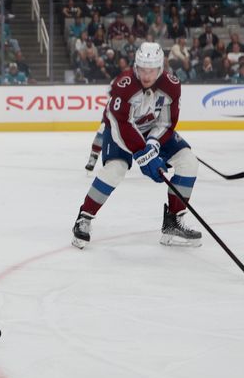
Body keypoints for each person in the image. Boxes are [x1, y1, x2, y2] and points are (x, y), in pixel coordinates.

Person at [71, 42, 202, 249]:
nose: (146, 75)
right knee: (115, 169)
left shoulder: (172, 85)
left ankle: (173, 222)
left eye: (151, 71)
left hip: (151, 130)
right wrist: (144, 154)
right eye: (142, 69)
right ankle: (84, 216)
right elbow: (121, 123)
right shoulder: (124, 84)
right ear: (136, 66)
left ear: (160, 69)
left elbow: (167, 123)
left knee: (189, 162)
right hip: (119, 131)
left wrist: (152, 145)